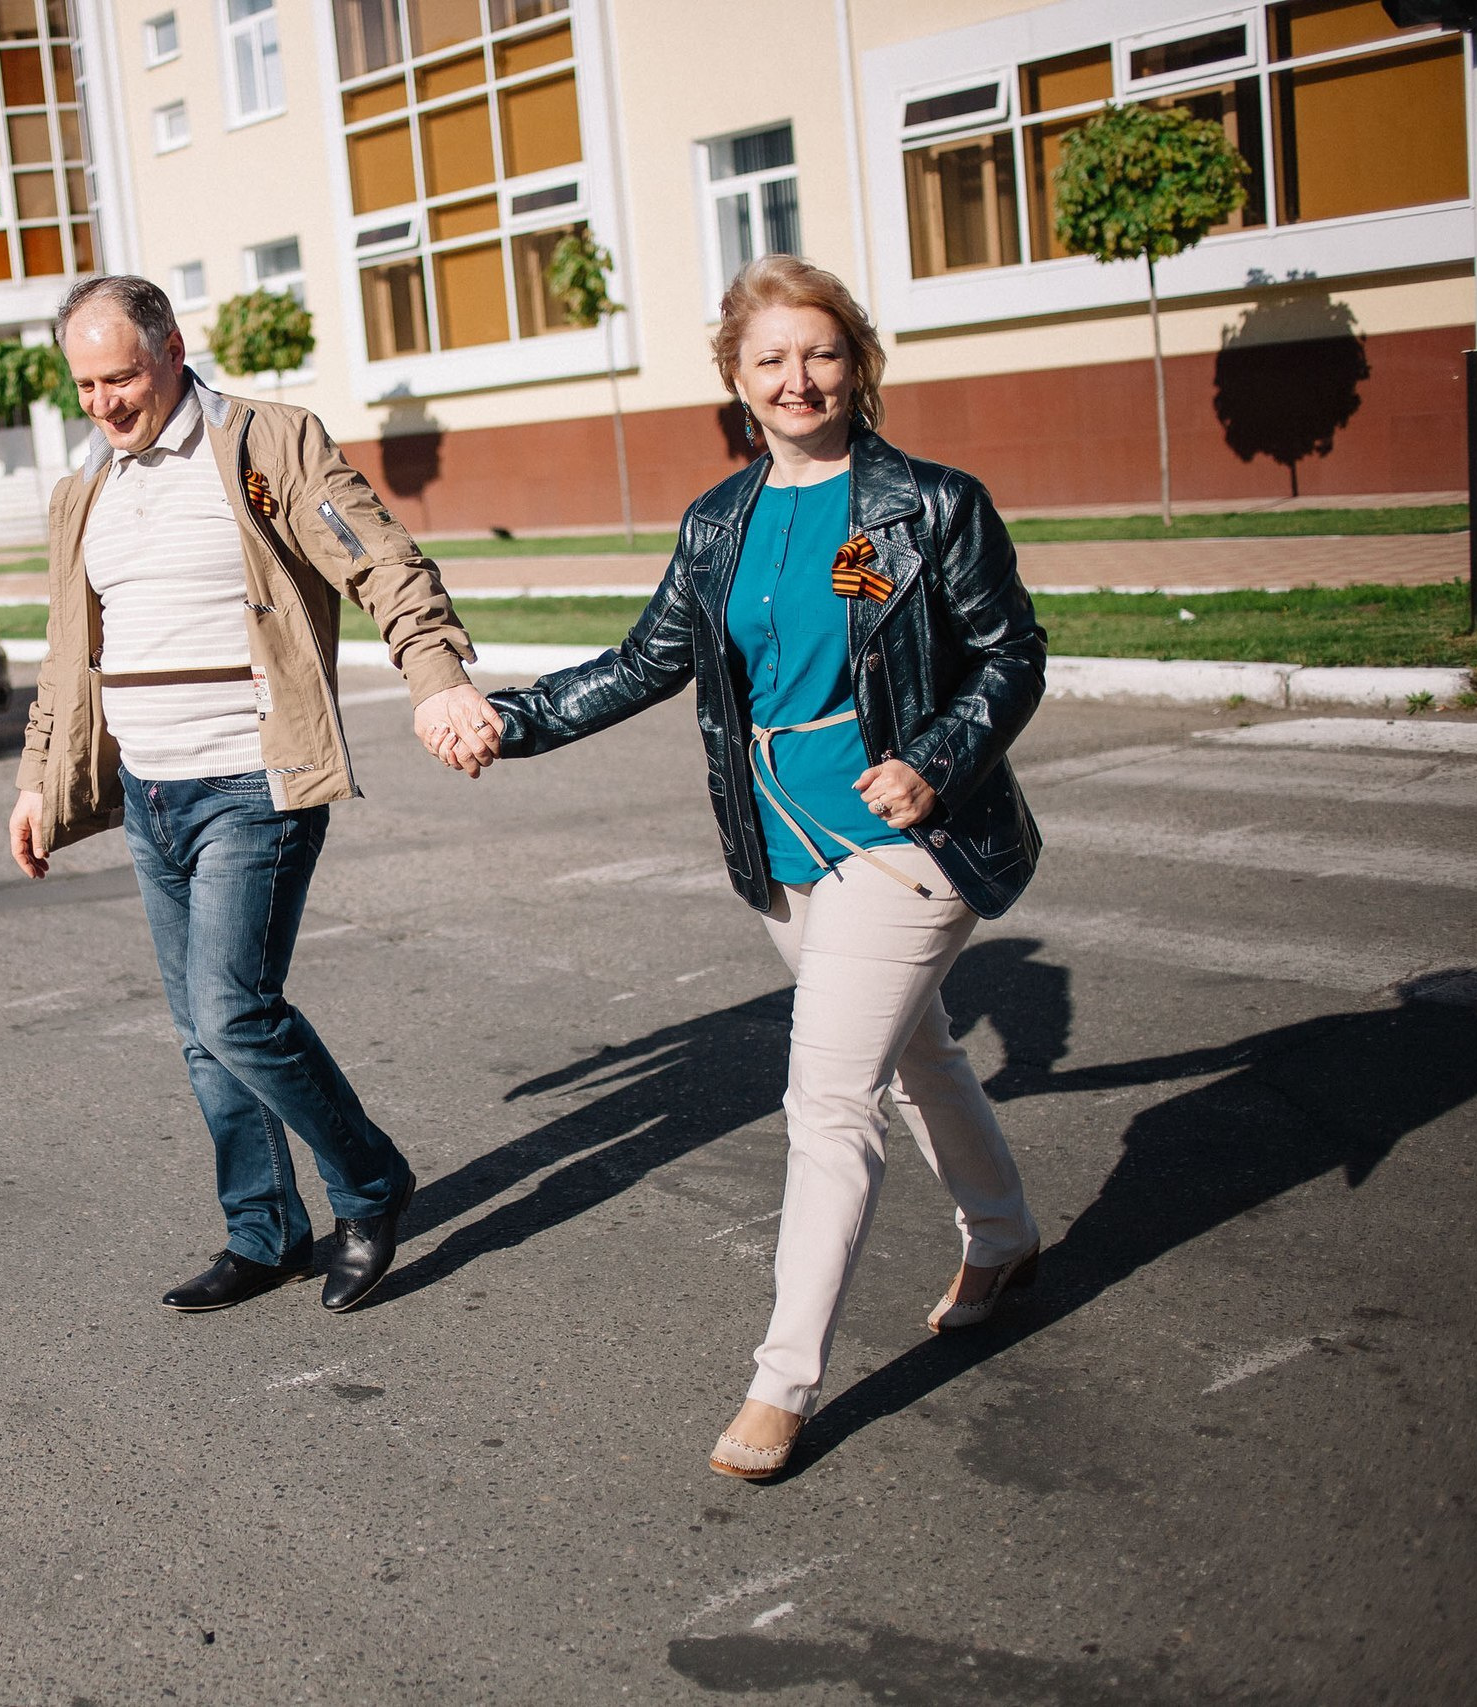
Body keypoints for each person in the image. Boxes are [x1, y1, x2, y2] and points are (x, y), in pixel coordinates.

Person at [445, 255, 1047, 1480]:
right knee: (921, 1051)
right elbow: (645, 659)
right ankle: (1004, 1234)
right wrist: (511, 719)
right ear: (735, 377)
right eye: (769, 358)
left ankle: (781, 1385)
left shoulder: (929, 504)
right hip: (778, 844)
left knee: (828, 1104)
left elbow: (1011, 655)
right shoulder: (720, 520)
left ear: (858, 364)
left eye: (820, 353)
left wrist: (933, 759)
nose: (798, 378)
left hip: (902, 840)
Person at [8, 274, 503, 1315]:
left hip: (250, 781)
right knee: (199, 1028)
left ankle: (370, 1184)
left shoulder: (268, 445)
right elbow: (65, 658)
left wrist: (438, 675)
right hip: (148, 791)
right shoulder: (85, 487)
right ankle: (264, 1230)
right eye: (86, 384)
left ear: (174, 349)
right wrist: (35, 782)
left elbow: (383, 564)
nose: (104, 402)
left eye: (122, 376)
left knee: (234, 1012)